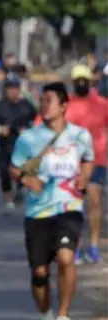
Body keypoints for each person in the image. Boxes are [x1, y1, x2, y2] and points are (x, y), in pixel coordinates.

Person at [10, 81, 94, 320]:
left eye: (50, 101)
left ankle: (63, 317)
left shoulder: (80, 136)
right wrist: (25, 180)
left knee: (66, 256)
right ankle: (45, 317)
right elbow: (14, 167)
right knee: (39, 272)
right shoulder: (28, 138)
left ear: (64, 106)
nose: (45, 105)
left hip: (68, 207)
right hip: (38, 212)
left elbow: (89, 159)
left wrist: (84, 178)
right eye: (42, 101)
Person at [64, 64, 108, 264]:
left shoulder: (102, 104)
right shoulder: (65, 104)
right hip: (70, 162)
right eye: (77, 80)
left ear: (91, 81)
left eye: (84, 79)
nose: (81, 83)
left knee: (95, 201)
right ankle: (75, 247)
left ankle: (93, 247)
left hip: (96, 159)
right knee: (73, 206)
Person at [0, 77, 37, 211]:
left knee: (22, 169)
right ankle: (8, 198)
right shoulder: (0, 106)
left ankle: (20, 189)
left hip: (22, 143)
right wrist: (0, 129)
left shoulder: (26, 105)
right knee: (4, 171)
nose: (12, 91)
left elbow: (37, 119)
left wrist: (29, 129)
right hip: (6, 143)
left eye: (15, 88)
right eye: (9, 89)